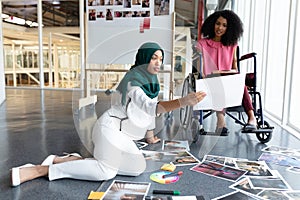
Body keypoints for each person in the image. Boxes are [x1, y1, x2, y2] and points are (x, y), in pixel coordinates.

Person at [10, 42, 206, 187]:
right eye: (154, 57)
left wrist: (150, 136)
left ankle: (66, 160)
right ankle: (41, 170)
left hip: (121, 135)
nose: (158, 62)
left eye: (160, 59)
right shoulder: (133, 81)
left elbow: (146, 115)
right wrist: (182, 102)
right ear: (144, 58)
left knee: (138, 168)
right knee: (107, 171)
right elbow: (149, 107)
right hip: (109, 129)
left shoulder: (152, 82)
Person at [196, 10, 257, 135]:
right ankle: (221, 120)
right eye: (218, 23)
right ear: (212, 24)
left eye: (224, 25)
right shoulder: (202, 44)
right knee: (217, 80)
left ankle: (252, 118)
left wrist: (233, 75)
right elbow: (200, 67)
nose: (220, 28)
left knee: (240, 83)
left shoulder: (232, 45)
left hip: (228, 79)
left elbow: (235, 66)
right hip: (209, 79)